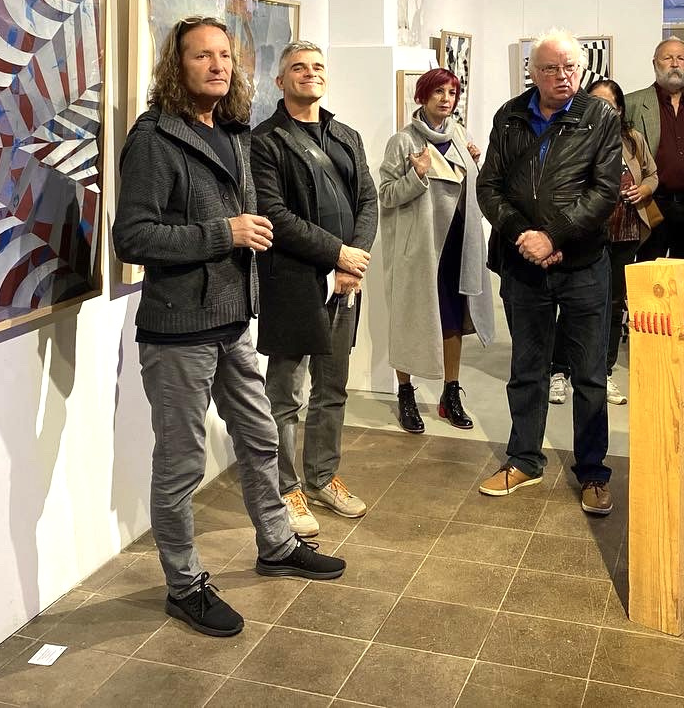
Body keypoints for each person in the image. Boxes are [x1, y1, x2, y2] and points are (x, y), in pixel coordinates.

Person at [113, 17, 344, 639]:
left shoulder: (235, 131)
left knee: (261, 436)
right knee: (181, 465)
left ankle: (277, 544)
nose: (217, 66)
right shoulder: (154, 139)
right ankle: (184, 585)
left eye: (224, 55)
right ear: (176, 66)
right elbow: (131, 238)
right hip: (178, 331)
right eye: (202, 56)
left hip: (232, 320)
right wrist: (225, 233)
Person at [476, 30, 621, 514]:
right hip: (524, 265)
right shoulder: (509, 116)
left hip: (583, 264)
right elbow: (489, 186)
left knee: (590, 375)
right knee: (527, 369)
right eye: (551, 69)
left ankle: (593, 471)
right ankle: (524, 460)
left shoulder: (600, 116)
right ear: (533, 73)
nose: (563, 77)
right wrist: (525, 235)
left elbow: (603, 192)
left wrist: (553, 237)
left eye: (571, 67)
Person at [252, 41, 379, 538]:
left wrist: (354, 260)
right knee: (284, 393)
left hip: (346, 282)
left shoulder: (346, 136)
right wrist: (337, 254)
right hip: (292, 282)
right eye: (298, 68)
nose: (310, 74)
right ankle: (285, 488)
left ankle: (323, 477)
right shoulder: (265, 141)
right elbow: (274, 215)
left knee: (332, 388)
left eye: (318, 67)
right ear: (280, 80)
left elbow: (367, 201)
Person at [378, 67, 494, 435]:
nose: (446, 99)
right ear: (423, 96)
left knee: (453, 318)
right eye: (439, 92)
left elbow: (470, 189)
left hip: (457, 243)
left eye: (452, 92)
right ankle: (405, 393)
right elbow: (386, 195)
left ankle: (450, 392)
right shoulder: (403, 141)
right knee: (410, 319)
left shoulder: (459, 135)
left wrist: (476, 163)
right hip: (420, 250)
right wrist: (416, 176)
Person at [553, 77, 657, 408]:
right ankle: (559, 370)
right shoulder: (572, 136)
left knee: (613, 305)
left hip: (624, 232)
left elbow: (653, 173)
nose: (602, 110)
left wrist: (644, 189)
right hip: (584, 234)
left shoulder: (633, 139)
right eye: (595, 103)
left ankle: (604, 371)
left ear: (620, 109)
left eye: (609, 105)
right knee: (574, 303)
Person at [625, 37, 684, 262]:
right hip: (651, 205)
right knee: (648, 273)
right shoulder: (632, 104)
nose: (675, 64)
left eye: (681, 58)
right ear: (655, 63)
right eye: (668, 58)